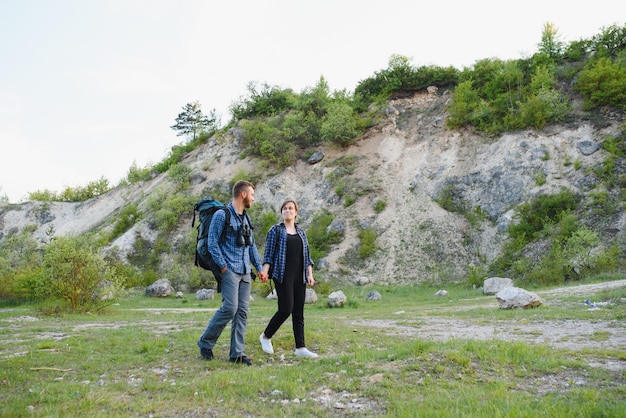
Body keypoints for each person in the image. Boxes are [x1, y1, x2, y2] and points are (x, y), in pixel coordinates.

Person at [197, 180, 267, 366]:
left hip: (245, 271)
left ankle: (237, 354)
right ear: (243, 194)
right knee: (229, 308)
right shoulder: (222, 215)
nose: (253, 198)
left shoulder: (246, 218)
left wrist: (258, 268)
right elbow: (212, 243)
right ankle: (205, 342)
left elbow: (251, 246)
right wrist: (223, 267)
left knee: (242, 312)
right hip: (230, 270)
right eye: (252, 194)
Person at [259, 198, 319, 358]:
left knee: (298, 312)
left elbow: (307, 257)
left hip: (300, 276)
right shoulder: (275, 231)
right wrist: (265, 271)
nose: (287, 210)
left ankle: (300, 348)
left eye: (291, 208)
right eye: (284, 208)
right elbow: (268, 254)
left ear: (296, 212)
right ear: (282, 212)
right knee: (286, 309)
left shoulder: (301, 233)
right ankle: (265, 336)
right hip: (282, 274)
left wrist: (310, 274)